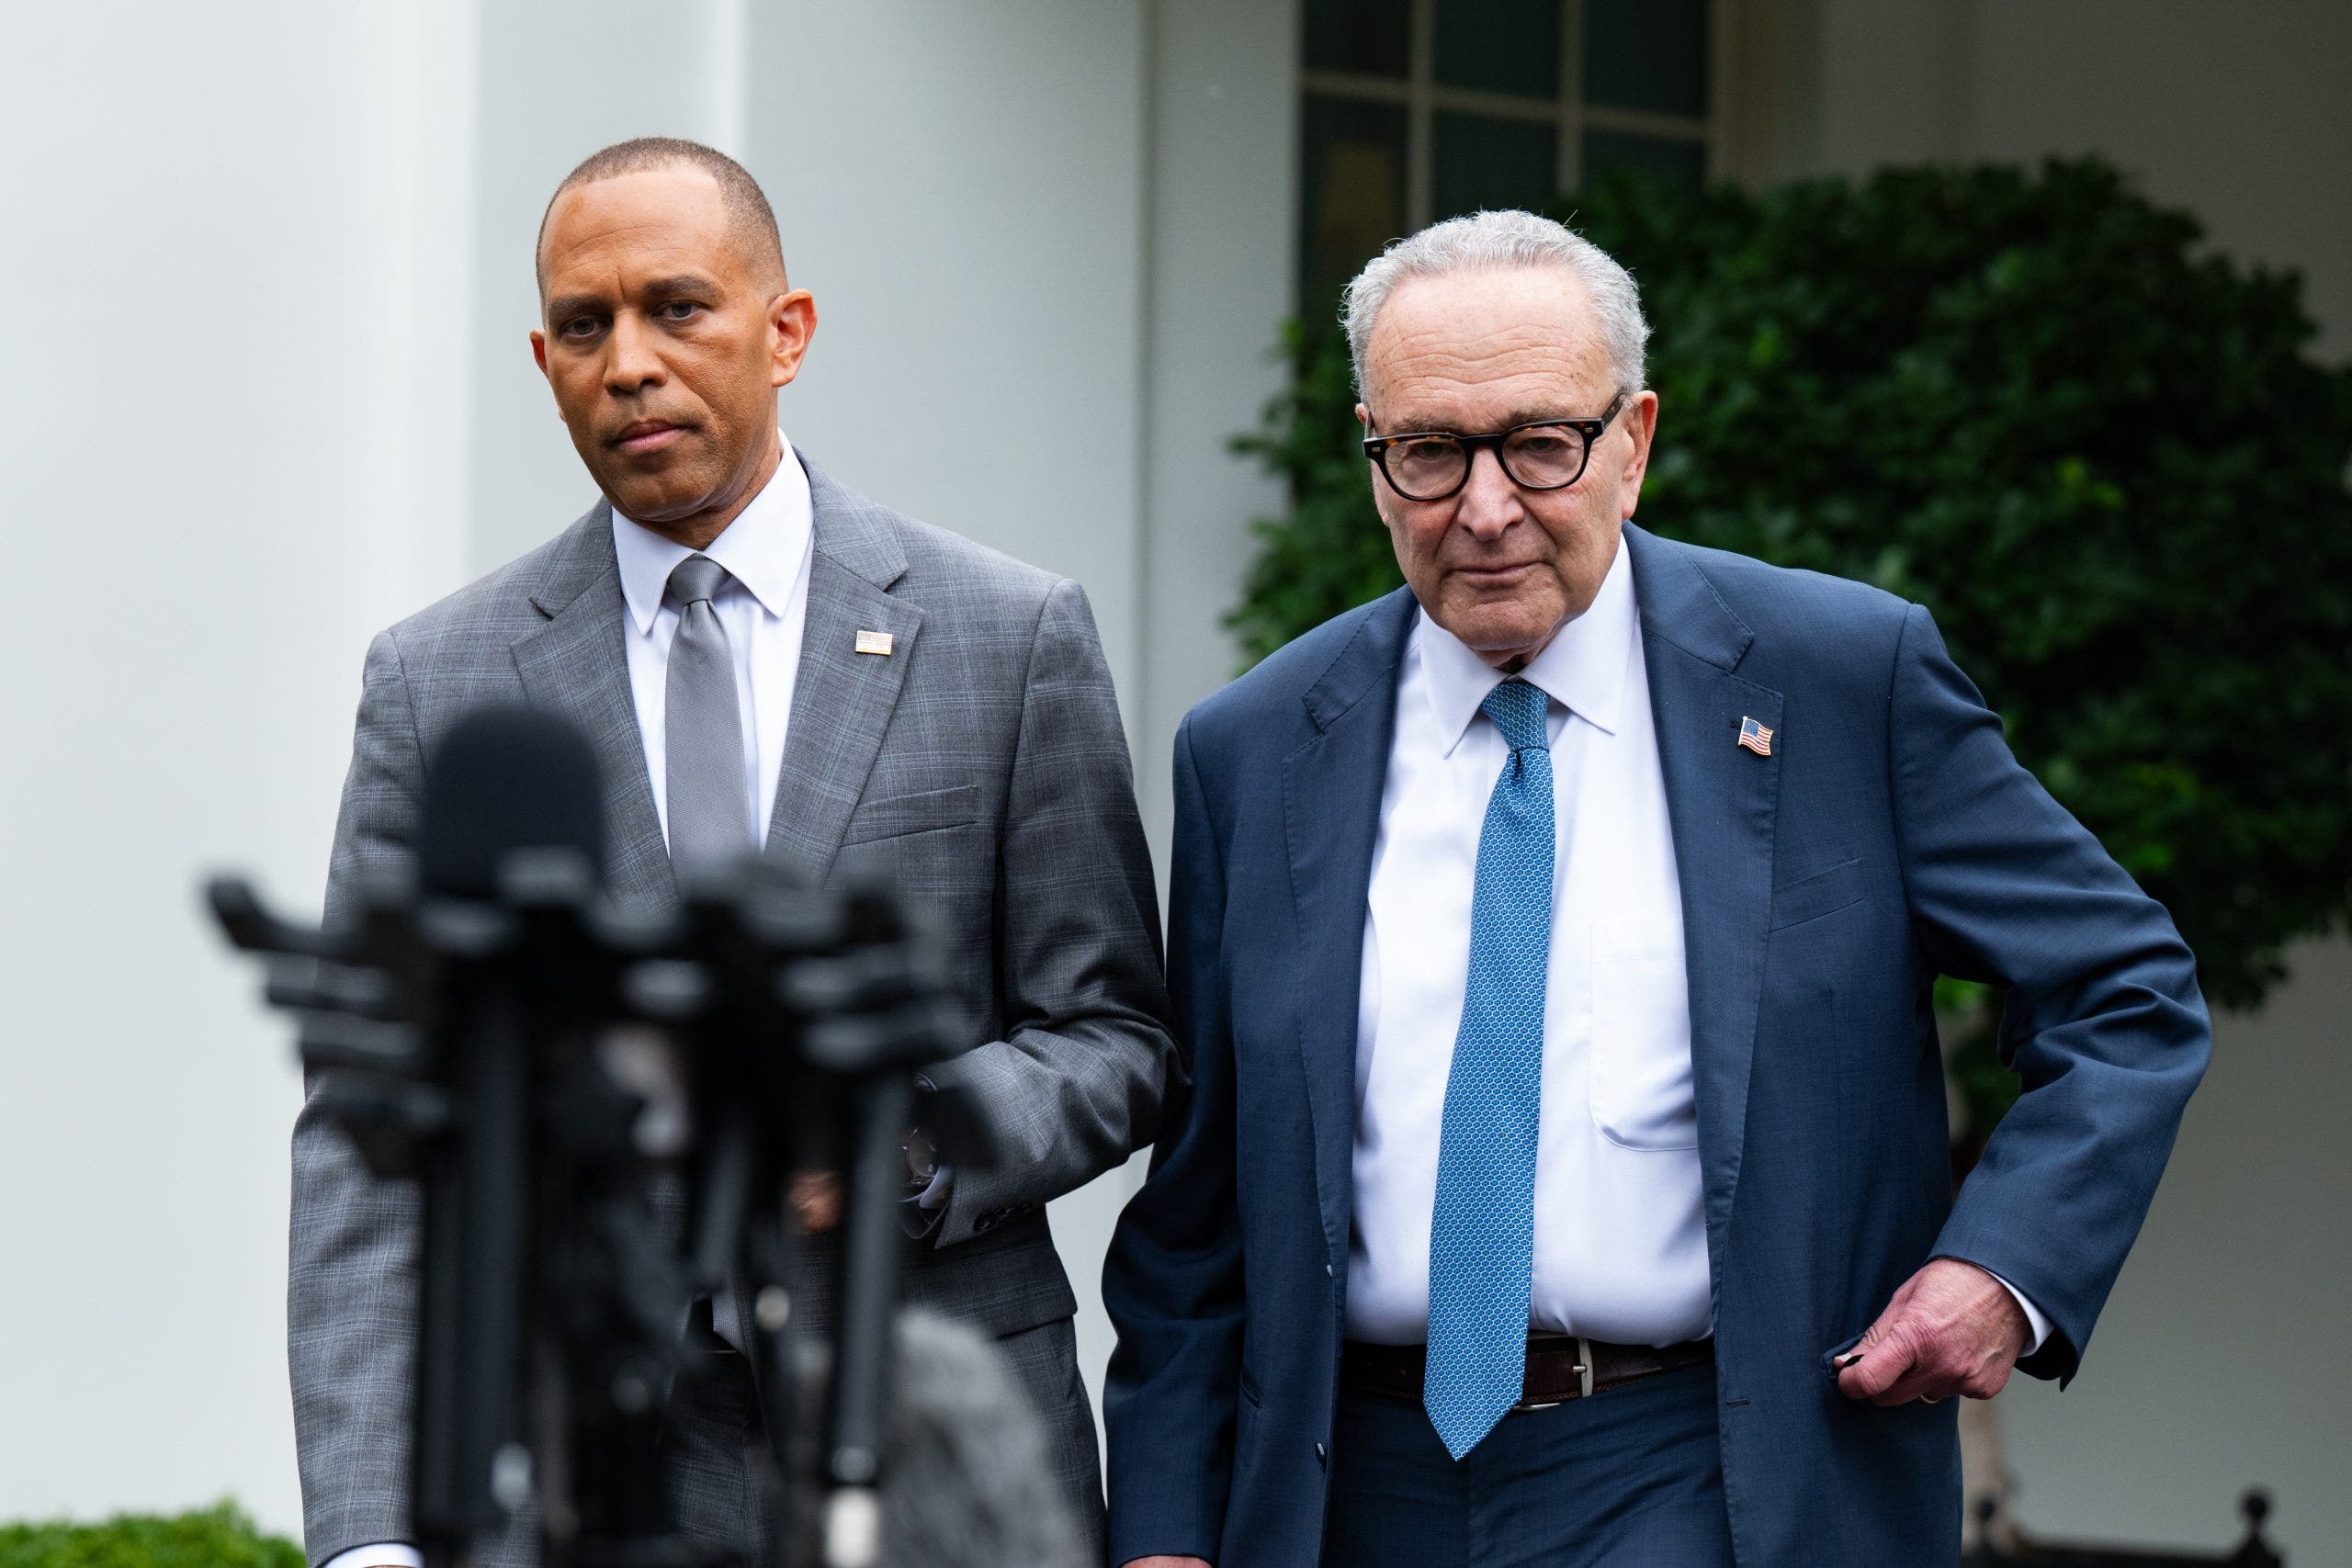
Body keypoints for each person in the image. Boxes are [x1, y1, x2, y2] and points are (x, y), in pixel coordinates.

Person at [1101, 209, 2210, 1568]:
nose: (1486, 508)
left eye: (1541, 444)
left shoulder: (1840, 683)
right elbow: (1199, 1205)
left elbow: (2125, 992)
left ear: (1634, 442)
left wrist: (2003, 1269)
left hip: (1711, 1472)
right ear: (1375, 460)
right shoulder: (1257, 750)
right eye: (1432, 452)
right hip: (1347, 1492)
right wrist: (1164, 1533)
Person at [291, 138, 1170, 1568]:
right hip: (585, 1476)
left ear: (786, 331)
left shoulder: (1008, 637)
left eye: (678, 308)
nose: (629, 362)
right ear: (545, 363)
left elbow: (1118, 1036)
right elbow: (371, 1127)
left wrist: (901, 1143)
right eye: (585, 326)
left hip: (941, 1455)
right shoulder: (438, 682)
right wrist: (372, 1537)